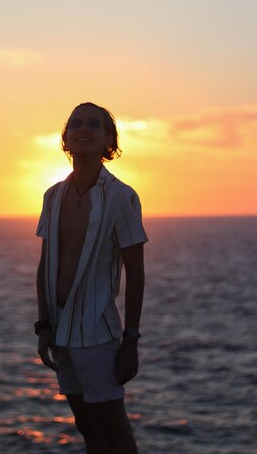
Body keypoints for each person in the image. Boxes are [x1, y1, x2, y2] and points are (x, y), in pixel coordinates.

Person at [35, 102, 148, 454]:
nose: (84, 128)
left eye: (94, 125)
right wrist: (44, 325)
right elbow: (44, 266)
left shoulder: (122, 197)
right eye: (76, 123)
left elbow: (136, 273)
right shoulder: (52, 196)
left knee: (112, 425)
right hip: (61, 328)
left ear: (107, 141)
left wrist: (130, 340)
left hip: (98, 331)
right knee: (85, 424)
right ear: (66, 138)